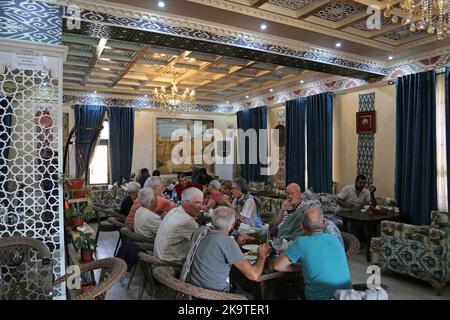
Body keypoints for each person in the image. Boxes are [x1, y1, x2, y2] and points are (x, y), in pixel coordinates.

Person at [182, 206, 270, 294]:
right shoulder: (227, 242)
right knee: (250, 293)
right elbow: (254, 275)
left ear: (212, 220)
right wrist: (262, 256)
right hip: (213, 294)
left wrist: (236, 245)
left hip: (193, 288)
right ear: (232, 225)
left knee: (236, 275)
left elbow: (217, 250)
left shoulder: (201, 232)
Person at [272, 207, 352, 300]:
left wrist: (301, 267)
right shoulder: (335, 239)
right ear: (323, 224)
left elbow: (277, 266)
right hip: (348, 296)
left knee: (285, 290)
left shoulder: (302, 242)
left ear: (301, 226)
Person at [154, 188, 203, 262]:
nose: (201, 207)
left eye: (202, 203)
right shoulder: (187, 221)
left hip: (159, 256)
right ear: (186, 203)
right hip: (168, 263)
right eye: (197, 203)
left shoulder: (174, 210)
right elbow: (202, 243)